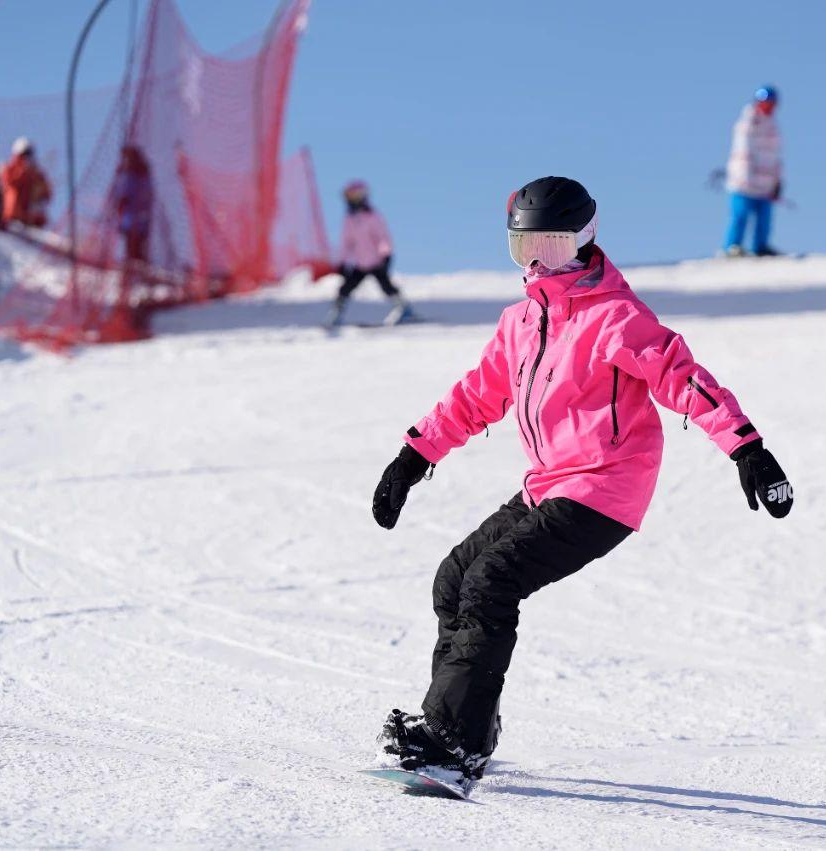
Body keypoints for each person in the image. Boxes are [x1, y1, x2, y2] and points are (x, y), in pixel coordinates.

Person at [370, 176, 794, 796]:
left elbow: (683, 378)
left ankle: (451, 741)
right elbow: (477, 396)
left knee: (492, 580)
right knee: (455, 578)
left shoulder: (616, 316)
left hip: (606, 489)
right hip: (549, 484)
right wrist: (413, 456)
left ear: (585, 239)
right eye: (525, 248)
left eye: (554, 246)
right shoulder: (521, 321)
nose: (540, 261)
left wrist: (747, 447)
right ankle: (466, 731)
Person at [328, 180, 406, 326]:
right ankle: (336, 313)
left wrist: (386, 255)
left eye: (353, 196)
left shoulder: (372, 217)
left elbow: (383, 237)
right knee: (345, 288)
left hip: (376, 261)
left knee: (386, 286)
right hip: (360, 263)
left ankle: (403, 309)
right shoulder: (349, 219)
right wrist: (342, 262)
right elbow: (346, 243)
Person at [722, 85, 783, 257]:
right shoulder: (747, 124)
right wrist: (743, 177)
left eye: (772, 104)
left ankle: (760, 246)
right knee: (740, 214)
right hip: (744, 182)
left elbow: (776, 157)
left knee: (764, 217)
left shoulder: (773, 128)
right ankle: (732, 246)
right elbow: (742, 153)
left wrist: (777, 181)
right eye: (766, 103)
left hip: (765, 184)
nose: (769, 107)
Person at [108, 144, 154, 264]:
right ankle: (135, 259)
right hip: (135, 213)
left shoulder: (135, 173)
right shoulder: (137, 172)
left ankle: (135, 261)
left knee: (134, 239)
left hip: (134, 213)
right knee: (134, 239)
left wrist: (122, 200)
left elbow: (127, 190)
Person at [0, 137, 51, 229]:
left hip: (31, 217)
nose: (27, 158)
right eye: (24, 155)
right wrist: (23, 171)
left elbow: (46, 192)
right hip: (13, 213)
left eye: (29, 154)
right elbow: (9, 181)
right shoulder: (10, 168)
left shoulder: (36, 173)